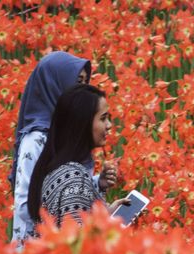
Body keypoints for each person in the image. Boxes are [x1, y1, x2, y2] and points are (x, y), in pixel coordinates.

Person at [11, 51, 118, 243]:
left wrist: (95, 184)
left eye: (86, 81)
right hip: (37, 248)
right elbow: (27, 203)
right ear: (53, 84)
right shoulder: (36, 139)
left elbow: (63, 188)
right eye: (78, 81)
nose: (83, 89)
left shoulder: (67, 133)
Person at [27, 84, 128, 232]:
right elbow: (78, 243)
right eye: (103, 118)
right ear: (83, 123)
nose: (109, 125)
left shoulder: (56, 167)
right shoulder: (74, 177)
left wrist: (107, 214)